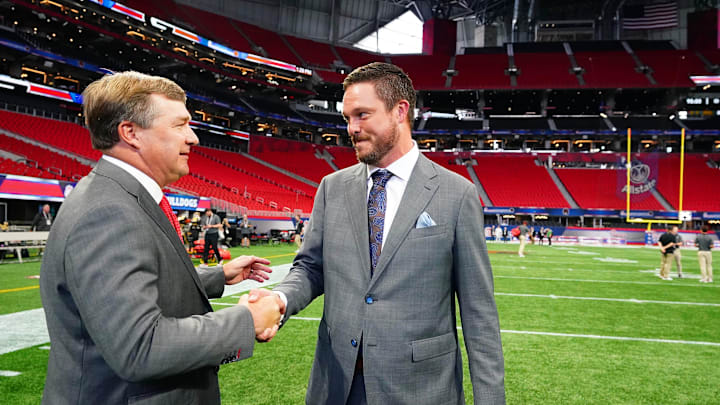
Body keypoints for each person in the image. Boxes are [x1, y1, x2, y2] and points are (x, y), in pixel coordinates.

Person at [250, 62, 505, 404]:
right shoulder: (332, 188)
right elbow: (310, 268)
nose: (351, 128)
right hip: (338, 385)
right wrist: (279, 300)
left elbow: (479, 313)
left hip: (420, 389)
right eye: (347, 118)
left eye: (362, 115)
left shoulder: (456, 194)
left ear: (400, 111)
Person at [39, 71, 282, 405]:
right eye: (179, 125)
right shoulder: (109, 212)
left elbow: (138, 278)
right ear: (131, 133)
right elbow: (140, 347)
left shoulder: (119, 196)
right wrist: (245, 321)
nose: (193, 137)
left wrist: (217, 276)